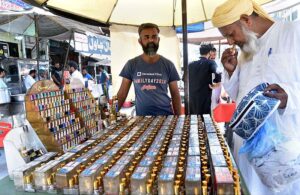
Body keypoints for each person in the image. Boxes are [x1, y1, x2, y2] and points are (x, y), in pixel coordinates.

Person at [212, 0, 300, 194]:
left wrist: (289, 96)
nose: (230, 42)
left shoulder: (293, 33)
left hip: (285, 150)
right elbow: (239, 97)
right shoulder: (247, 51)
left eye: (230, 34)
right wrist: (232, 71)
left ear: (246, 20)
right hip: (249, 153)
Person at [117, 23, 181, 116]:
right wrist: (113, 114)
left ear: (158, 40)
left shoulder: (168, 65)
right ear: (140, 41)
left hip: (166, 118)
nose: (151, 40)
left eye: (154, 37)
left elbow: (175, 94)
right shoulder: (131, 64)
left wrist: (179, 119)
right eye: (146, 37)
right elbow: (122, 94)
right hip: (142, 121)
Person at [189, 44, 221, 115]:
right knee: (205, 120)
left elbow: (184, 79)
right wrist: (217, 83)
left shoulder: (191, 64)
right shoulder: (210, 62)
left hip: (192, 97)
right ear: (209, 52)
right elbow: (218, 71)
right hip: (204, 96)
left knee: (192, 120)